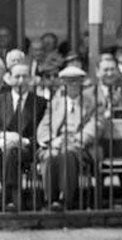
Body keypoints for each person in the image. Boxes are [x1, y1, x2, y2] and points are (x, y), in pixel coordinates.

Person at [34, 65, 102, 210]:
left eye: (76, 81)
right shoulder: (56, 103)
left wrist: (75, 140)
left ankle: (65, 199)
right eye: (68, 81)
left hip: (79, 146)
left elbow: (96, 125)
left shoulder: (92, 103)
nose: (72, 85)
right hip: (56, 143)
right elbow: (44, 126)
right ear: (63, 83)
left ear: (82, 83)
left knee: (67, 154)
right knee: (49, 155)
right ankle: (51, 200)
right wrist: (52, 140)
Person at [1, 63, 48, 211]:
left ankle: (11, 199)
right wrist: (5, 138)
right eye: (17, 76)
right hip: (2, 145)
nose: (21, 80)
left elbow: (45, 132)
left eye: (25, 76)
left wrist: (22, 141)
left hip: (28, 148)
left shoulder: (41, 103)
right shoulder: (1, 100)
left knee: (12, 153)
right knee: (9, 151)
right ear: (8, 79)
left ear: (32, 79)